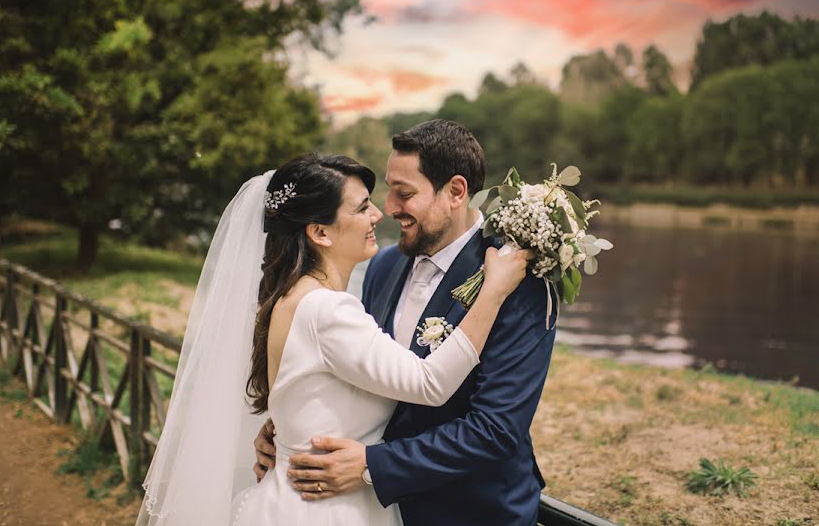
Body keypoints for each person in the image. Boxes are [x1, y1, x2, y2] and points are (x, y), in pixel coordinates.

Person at [136, 152, 530, 525]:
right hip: (325, 509)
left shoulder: (293, 296)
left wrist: (290, 432)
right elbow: (430, 382)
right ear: (320, 232)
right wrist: (493, 293)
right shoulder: (327, 310)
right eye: (361, 208)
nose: (379, 213)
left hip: (299, 496)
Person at [255, 120, 559, 525]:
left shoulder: (518, 279)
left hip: (472, 510)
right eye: (387, 190)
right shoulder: (383, 265)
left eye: (405, 193)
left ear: (455, 191)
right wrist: (294, 426)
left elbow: (496, 429)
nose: (389, 208)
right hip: (377, 508)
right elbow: (359, 368)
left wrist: (373, 465)